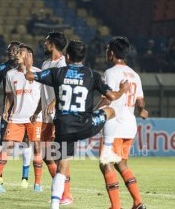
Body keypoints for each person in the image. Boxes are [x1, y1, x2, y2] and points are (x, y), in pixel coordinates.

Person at [25, 40, 129, 209]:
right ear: (84, 57)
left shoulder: (57, 73)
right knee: (110, 111)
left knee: (62, 166)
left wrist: (29, 66)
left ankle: (55, 205)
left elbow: (30, 76)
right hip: (86, 125)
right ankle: (108, 148)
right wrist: (123, 90)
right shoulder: (92, 75)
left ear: (67, 57)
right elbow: (112, 97)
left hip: (64, 128)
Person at [97, 37, 148, 209]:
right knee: (121, 164)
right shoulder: (135, 74)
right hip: (129, 125)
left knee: (106, 163)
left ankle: (116, 206)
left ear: (111, 52)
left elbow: (107, 98)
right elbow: (140, 102)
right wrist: (141, 111)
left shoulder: (111, 73)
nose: (106, 52)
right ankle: (138, 202)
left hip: (114, 125)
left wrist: (92, 113)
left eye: (107, 49)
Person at [0, 44, 40, 193]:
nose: (17, 54)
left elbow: (45, 96)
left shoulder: (39, 73)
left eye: (21, 52)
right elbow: (10, 95)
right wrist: (6, 110)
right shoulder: (10, 74)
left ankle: (37, 183)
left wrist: (40, 112)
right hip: (16, 117)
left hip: (34, 118)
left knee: (37, 148)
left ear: (28, 56)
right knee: (7, 146)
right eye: (17, 52)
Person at [0, 41, 32, 185]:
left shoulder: (30, 70)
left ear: (20, 52)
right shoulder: (2, 69)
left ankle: (25, 177)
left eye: (14, 50)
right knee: (4, 143)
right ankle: (0, 176)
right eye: (9, 50)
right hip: (9, 112)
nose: (10, 52)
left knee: (27, 142)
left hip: (27, 112)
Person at [34, 32, 69, 200]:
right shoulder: (46, 63)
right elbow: (43, 91)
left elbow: (66, 88)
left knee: (59, 155)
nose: (44, 43)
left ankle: (66, 195)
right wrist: (37, 111)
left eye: (47, 41)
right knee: (47, 156)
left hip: (59, 116)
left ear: (53, 43)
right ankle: (60, 191)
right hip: (46, 117)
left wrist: (55, 102)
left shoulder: (63, 64)